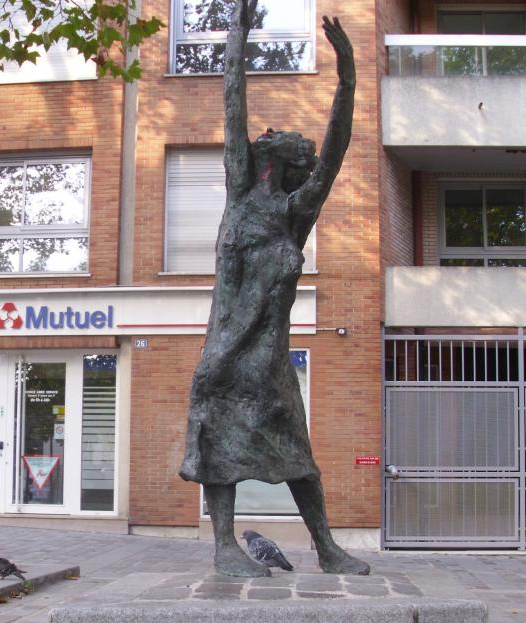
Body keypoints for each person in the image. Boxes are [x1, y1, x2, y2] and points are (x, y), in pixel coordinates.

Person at [179, 0, 370, 578]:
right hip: (226, 355)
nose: (276, 132)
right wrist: (237, 34)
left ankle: (327, 547)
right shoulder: (240, 191)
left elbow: (334, 153)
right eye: (280, 135)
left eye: (291, 137)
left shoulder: (295, 212)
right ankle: (224, 547)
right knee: (220, 452)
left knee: (298, 457)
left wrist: (348, 79)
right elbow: (232, 99)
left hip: (271, 363)